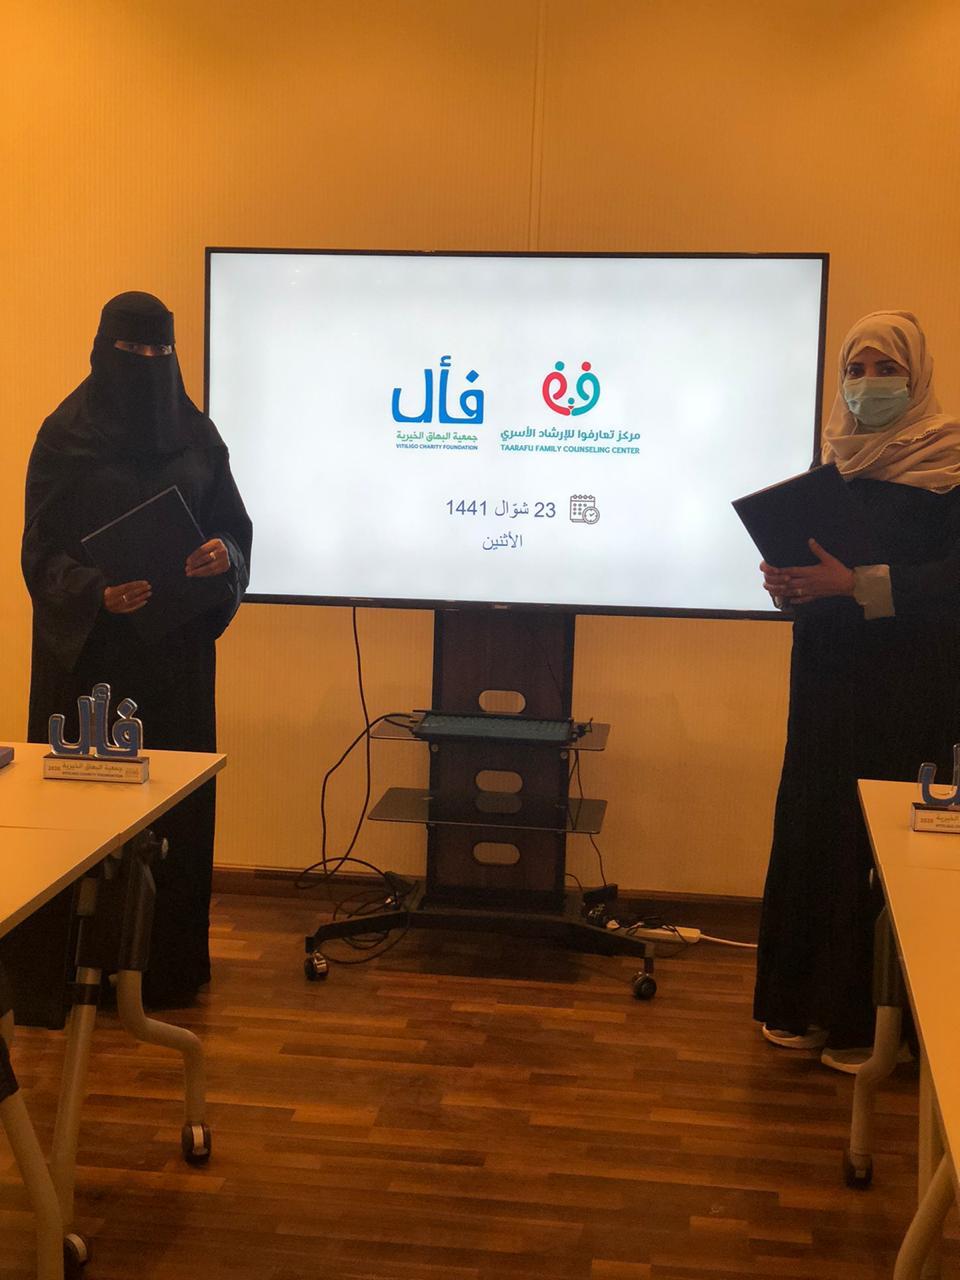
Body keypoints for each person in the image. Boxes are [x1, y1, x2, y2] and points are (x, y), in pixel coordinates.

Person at [18, 290, 252, 1013]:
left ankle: (167, 972)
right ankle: (65, 976)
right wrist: (96, 591)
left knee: (173, 818)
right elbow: (38, 554)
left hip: (174, 660)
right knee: (78, 824)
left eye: (160, 352)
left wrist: (224, 556)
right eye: (132, 352)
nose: (147, 364)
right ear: (102, 352)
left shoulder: (198, 436)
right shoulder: (64, 437)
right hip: (89, 667)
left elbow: (233, 528)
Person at [753, 310, 960, 1071]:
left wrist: (859, 584)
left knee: (883, 849)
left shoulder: (951, 466)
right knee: (814, 828)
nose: (869, 384)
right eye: (856, 370)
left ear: (917, 374)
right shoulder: (832, 466)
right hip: (825, 678)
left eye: (886, 369)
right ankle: (801, 1006)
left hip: (911, 687)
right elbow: (820, 575)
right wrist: (790, 585)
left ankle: (870, 1028)